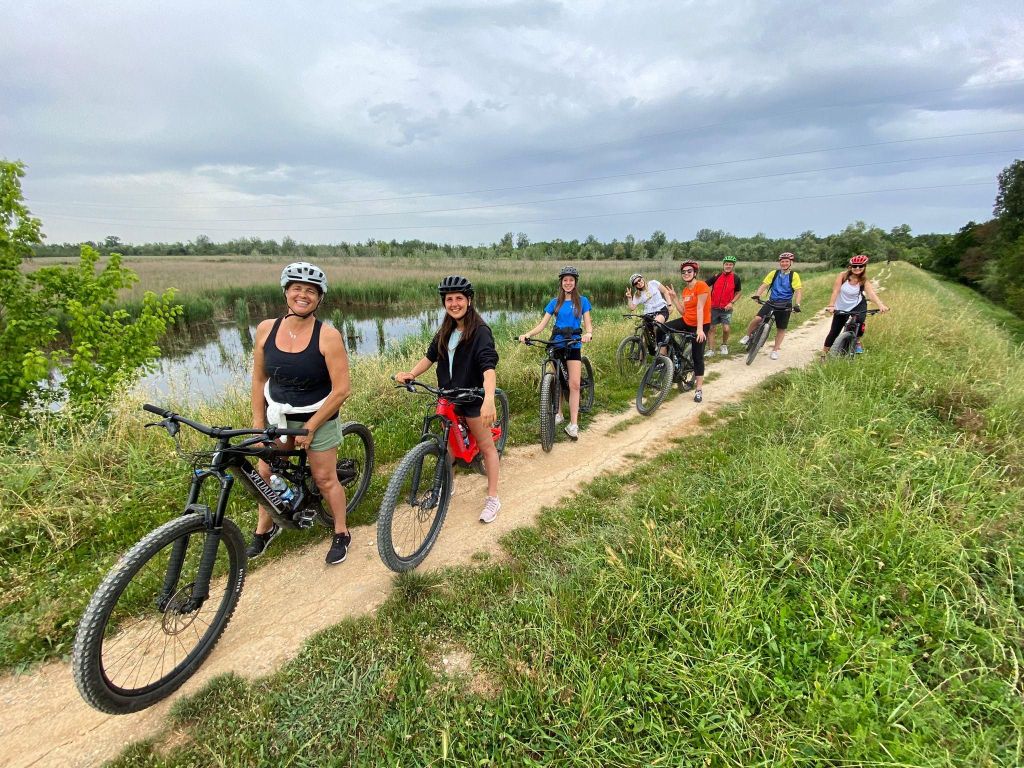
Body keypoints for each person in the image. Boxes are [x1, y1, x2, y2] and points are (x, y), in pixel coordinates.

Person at [248, 262, 353, 564]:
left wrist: (311, 426)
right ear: (286, 292)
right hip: (278, 416)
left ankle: (342, 531)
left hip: (318, 416)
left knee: (324, 478)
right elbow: (258, 379)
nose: (303, 295)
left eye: (311, 291)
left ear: (319, 299)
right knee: (266, 472)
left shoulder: (328, 336)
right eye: (297, 288)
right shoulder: (267, 329)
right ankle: (264, 531)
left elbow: (341, 389)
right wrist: (258, 423)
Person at [395, 276, 502, 523]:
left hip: (472, 397)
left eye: (459, 299)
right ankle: (448, 486)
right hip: (448, 396)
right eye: (449, 299)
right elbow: (429, 357)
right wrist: (411, 373)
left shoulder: (481, 332)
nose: (454, 304)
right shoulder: (445, 330)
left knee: (486, 447)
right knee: (450, 447)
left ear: (469, 300)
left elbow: (488, 368)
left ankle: (493, 498)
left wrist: (488, 399)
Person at [518, 265, 594, 440]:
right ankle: (558, 414)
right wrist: (528, 334)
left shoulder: (582, 301)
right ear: (561, 283)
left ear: (575, 283)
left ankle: (573, 424)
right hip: (556, 344)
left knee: (574, 384)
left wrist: (588, 333)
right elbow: (542, 324)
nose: (568, 283)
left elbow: (588, 322)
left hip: (574, 344)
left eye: (571, 280)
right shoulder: (555, 302)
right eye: (565, 280)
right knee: (558, 379)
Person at [822, 254, 889, 358]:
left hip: (857, 304)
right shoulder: (843, 276)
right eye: (855, 266)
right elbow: (836, 291)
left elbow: (871, 294)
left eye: (860, 266)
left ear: (864, 267)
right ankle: (823, 355)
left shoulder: (864, 280)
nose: (857, 268)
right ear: (850, 267)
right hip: (842, 305)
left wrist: (880, 305)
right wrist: (831, 305)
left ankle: (856, 340)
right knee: (834, 332)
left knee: (859, 321)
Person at [739, 252, 802, 360]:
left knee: (781, 328)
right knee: (757, 318)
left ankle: (775, 350)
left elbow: (798, 291)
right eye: (782, 261)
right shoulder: (774, 273)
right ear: (779, 262)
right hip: (771, 302)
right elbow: (764, 285)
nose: (784, 263)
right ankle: (747, 336)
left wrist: (797, 304)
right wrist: (757, 295)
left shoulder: (794, 275)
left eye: (787, 261)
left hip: (785, 304)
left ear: (791, 263)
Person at [664, 261, 710, 403]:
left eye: (689, 271)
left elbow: (700, 308)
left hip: (701, 324)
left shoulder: (701, 286)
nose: (686, 274)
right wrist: (674, 298)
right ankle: (667, 360)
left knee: (697, 357)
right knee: (663, 328)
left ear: (695, 273)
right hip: (687, 321)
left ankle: (698, 389)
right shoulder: (685, 290)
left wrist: (700, 330)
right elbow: (684, 311)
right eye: (683, 272)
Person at [705, 256, 742, 356]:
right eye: (726, 264)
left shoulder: (736, 278)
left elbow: (738, 292)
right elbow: (704, 285)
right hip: (713, 307)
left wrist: (731, 303)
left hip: (726, 309)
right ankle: (711, 350)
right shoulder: (717, 276)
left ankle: (724, 345)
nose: (728, 266)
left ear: (733, 266)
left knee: (726, 329)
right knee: (711, 329)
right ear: (723, 265)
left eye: (730, 264)